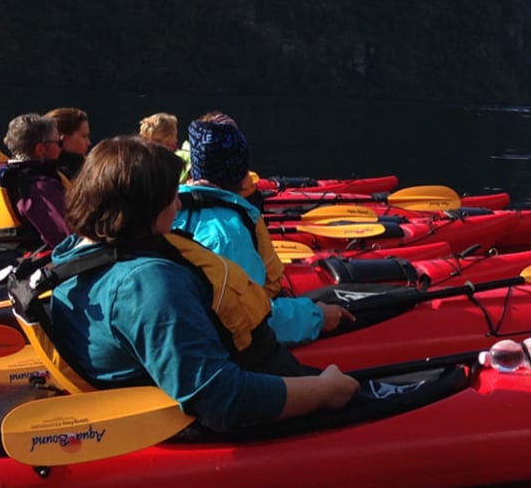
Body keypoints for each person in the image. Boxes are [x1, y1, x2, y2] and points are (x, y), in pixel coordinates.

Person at [43, 136, 358, 431]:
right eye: (170, 197)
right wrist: (324, 390)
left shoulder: (72, 254)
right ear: (144, 206)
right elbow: (220, 398)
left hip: (194, 375)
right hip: (221, 414)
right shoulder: (145, 285)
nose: (178, 205)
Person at [173, 117, 354, 344]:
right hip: (235, 345)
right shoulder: (227, 234)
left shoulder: (173, 207)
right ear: (242, 172)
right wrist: (316, 316)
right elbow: (249, 318)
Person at [0, 113, 70, 247]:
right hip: (41, 259)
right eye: (59, 142)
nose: (61, 148)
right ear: (40, 149)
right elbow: (65, 238)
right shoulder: (41, 187)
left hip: (3, 255)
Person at [45, 107, 91, 181]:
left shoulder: (91, 167)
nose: (88, 143)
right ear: (63, 139)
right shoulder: (47, 176)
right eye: (83, 136)